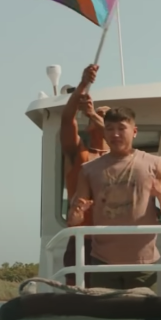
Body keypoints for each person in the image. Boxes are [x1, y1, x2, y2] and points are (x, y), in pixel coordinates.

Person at [68, 106, 161, 291]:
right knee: (104, 310)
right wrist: (77, 214)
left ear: (134, 131)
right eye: (109, 129)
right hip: (102, 263)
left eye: (121, 128)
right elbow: (73, 221)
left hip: (143, 264)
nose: (115, 134)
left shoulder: (155, 164)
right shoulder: (88, 170)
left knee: (144, 310)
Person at [60, 63, 109, 287]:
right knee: (78, 298)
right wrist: (83, 84)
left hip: (114, 244)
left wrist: (92, 113)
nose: (101, 119)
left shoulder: (126, 158)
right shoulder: (80, 154)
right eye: (101, 116)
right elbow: (66, 120)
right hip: (83, 242)